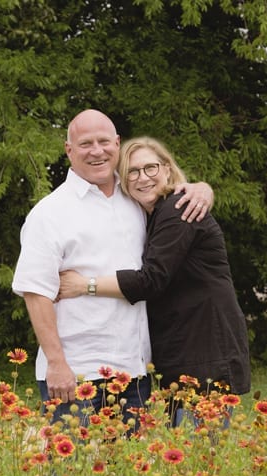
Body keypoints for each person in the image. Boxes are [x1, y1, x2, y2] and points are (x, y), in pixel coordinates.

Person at [11, 111, 214, 428]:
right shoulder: (49, 213)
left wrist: (201, 188)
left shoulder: (134, 198)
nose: (96, 151)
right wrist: (56, 364)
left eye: (104, 141)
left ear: (117, 144)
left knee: (127, 469)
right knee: (70, 470)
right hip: (76, 375)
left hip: (134, 375)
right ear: (69, 150)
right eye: (85, 143)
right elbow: (36, 294)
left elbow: (172, 195)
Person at [57, 136, 251, 428]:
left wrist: (84, 285)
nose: (142, 177)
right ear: (122, 180)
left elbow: (151, 280)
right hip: (186, 352)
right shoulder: (150, 216)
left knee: (200, 462)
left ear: (167, 170)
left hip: (204, 353)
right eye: (133, 172)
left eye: (151, 168)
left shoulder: (177, 211)